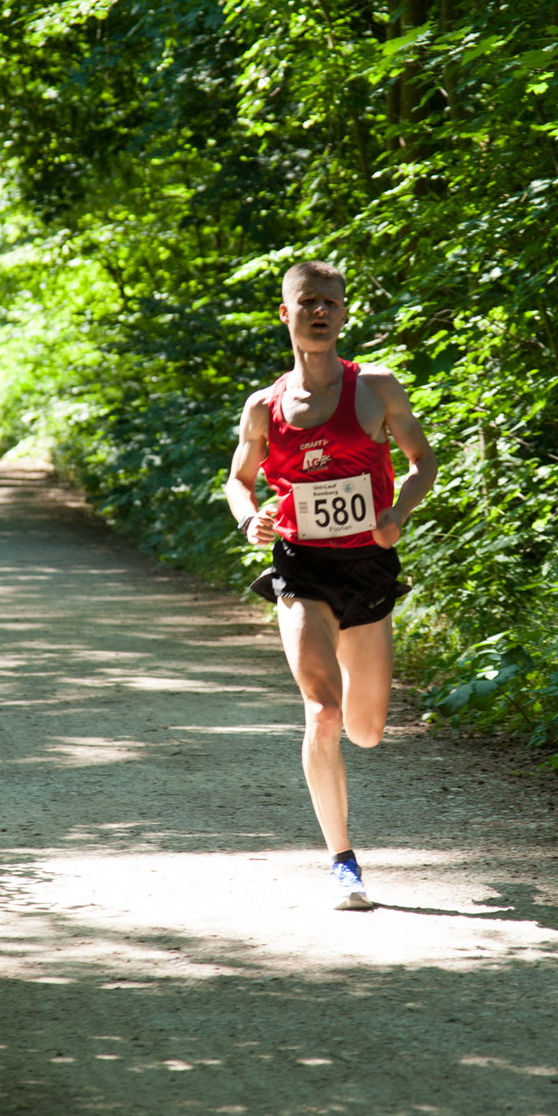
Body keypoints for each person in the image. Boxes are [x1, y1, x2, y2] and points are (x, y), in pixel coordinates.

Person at [224, 260, 437, 910]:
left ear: (344, 314)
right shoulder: (264, 407)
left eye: (331, 303)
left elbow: (423, 461)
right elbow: (240, 478)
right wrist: (248, 517)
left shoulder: (376, 388)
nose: (320, 311)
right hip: (300, 567)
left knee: (366, 729)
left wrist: (397, 513)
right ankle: (343, 861)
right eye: (307, 301)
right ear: (285, 314)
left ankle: (353, 745)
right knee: (323, 711)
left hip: (368, 568)